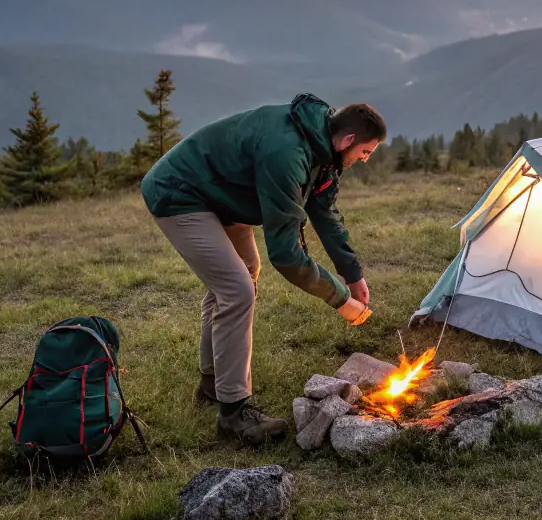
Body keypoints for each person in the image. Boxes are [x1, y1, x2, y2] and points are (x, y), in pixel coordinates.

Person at [141, 93, 386, 445]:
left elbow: (324, 212)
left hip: (222, 196)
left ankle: (213, 385)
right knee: (236, 289)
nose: (363, 160)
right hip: (180, 193)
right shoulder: (287, 153)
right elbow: (286, 256)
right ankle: (233, 417)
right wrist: (341, 299)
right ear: (348, 140)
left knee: (243, 272)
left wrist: (352, 274)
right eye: (365, 152)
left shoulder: (322, 150)